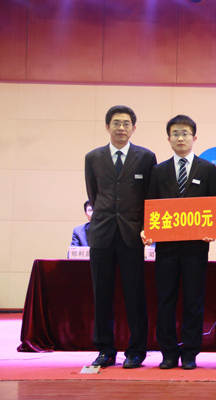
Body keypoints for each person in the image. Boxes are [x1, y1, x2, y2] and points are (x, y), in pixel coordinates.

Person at [141, 115, 216, 370]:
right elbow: (150, 204)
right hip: (166, 249)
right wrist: (147, 230)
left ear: (194, 137)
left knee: (193, 301)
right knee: (166, 300)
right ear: (168, 139)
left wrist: (212, 228)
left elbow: (214, 204)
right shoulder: (158, 170)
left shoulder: (207, 169)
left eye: (185, 133)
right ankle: (168, 353)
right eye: (175, 133)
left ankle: (190, 353)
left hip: (196, 248)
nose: (180, 138)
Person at [85, 105, 156, 369]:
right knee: (101, 294)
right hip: (102, 234)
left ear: (134, 128)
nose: (121, 128)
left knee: (134, 294)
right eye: (116, 123)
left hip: (132, 235)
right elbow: (94, 195)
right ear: (107, 127)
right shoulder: (93, 157)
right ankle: (105, 350)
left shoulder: (145, 157)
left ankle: (136, 351)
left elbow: (149, 197)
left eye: (126, 123)